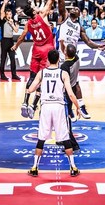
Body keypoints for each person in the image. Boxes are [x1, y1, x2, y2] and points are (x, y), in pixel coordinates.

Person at [11, 0, 62, 119]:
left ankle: (25, 102)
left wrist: (16, 46)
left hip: (36, 50)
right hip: (47, 49)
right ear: (33, 11)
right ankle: (34, 105)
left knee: (32, 77)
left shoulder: (28, 23)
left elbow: (21, 36)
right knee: (42, 78)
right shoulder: (43, 15)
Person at [57, 0, 105, 119]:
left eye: (75, 8)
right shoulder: (64, 17)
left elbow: (88, 42)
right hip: (61, 56)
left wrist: (98, 47)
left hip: (72, 59)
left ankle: (82, 107)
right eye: (71, 7)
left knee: (75, 84)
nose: (73, 8)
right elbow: (60, 0)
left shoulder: (79, 27)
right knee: (64, 86)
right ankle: (69, 109)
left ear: (78, 14)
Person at [27, 49, 81, 177]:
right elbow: (71, 94)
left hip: (45, 106)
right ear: (58, 60)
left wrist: (33, 88)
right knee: (65, 137)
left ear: (47, 60)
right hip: (58, 106)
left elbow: (31, 89)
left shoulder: (42, 73)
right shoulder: (63, 73)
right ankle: (73, 167)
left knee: (41, 138)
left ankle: (34, 167)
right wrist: (78, 107)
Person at [0, 0, 20, 81]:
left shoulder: (13, 21)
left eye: (10, 13)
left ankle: (14, 74)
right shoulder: (3, 20)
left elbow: (16, 30)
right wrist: (4, 3)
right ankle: (2, 75)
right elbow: (1, 12)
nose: (9, 15)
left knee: (12, 58)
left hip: (11, 41)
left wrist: (12, 24)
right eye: (7, 14)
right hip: (4, 41)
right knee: (3, 58)